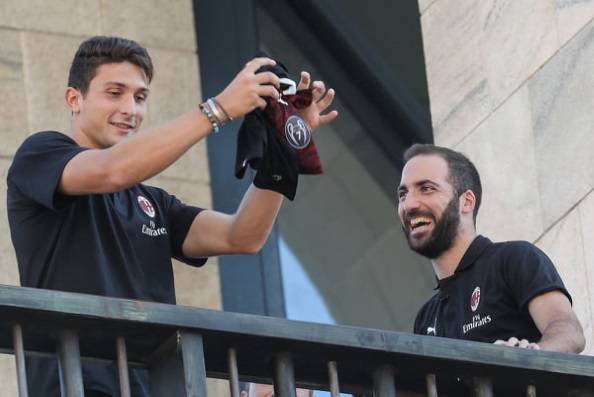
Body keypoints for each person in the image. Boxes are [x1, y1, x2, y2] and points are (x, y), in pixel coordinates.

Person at [6, 36, 337, 397]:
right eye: (114, 93)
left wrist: (284, 149)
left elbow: (241, 236)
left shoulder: (154, 203)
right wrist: (219, 109)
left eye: (140, 97)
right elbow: (111, 171)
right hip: (72, 386)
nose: (130, 109)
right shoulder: (40, 154)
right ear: (75, 98)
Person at [397, 144, 584, 353]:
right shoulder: (426, 318)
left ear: (466, 202)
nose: (409, 205)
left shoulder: (513, 259)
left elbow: (568, 333)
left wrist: (531, 355)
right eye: (403, 194)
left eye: (427, 189)